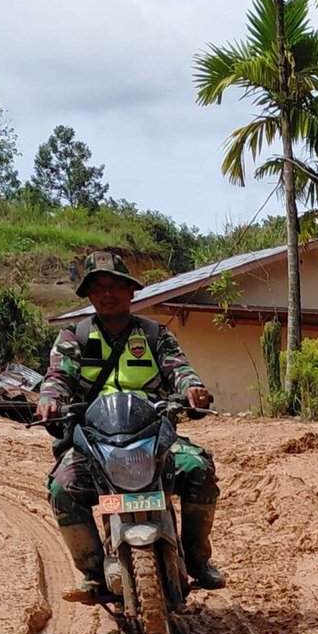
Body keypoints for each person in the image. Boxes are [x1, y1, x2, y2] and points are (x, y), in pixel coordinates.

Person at [36, 251, 226, 601]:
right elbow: (57, 376)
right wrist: (50, 398)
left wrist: (192, 390)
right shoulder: (74, 337)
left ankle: (198, 560)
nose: (108, 294)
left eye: (116, 286)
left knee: (199, 468)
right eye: (99, 287)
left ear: (131, 292)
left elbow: (179, 369)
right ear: (89, 295)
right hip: (94, 442)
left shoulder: (155, 335)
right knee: (63, 488)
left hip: (152, 438)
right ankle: (93, 572)